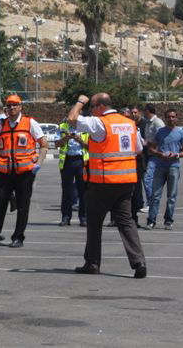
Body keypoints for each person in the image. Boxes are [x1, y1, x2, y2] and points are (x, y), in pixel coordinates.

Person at [68, 93, 146, 279]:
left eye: (92, 108)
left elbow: (72, 118)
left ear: (100, 107)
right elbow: (138, 149)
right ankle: (138, 262)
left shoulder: (100, 123)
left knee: (94, 224)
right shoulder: (129, 123)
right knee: (126, 223)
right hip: (126, 182)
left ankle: (93, 263)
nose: (91, 112)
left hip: (102, 182)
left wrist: (80, 102)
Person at [0, 94, 47, 248]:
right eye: (9, 105)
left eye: (15, 105)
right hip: (4, 172)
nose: (12, 108)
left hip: (24, 173)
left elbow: (44, 144)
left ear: (20, 106)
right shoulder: (1, 124)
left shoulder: (29, 123)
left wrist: (38, 163)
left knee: (22, 205)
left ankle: (18, 237)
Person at [146, 109, 183, 230]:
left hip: (173, 166)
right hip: (160, 166)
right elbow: (152, 148)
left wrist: (177, 155)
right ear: (165, 118)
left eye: (173, 117)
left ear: (176, 118)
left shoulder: (181, 133)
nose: (171, 119)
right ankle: (151, 220)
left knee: (172, 195)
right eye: (169, 117)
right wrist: (159, 154)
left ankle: (168, 221)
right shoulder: (160, 132)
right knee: (155, 195)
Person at [54, 117, 88, 227]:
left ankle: (83, 218)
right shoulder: (62, 127)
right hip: (67, 161)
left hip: (82, 161)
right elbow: (57, 144)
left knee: (83, 191)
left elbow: (91, 146)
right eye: (71, 119)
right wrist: (66, 138)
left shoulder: (86, 128)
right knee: (66, 190)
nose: (73, 121)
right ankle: (65, 217)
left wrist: (80, 140)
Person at [142, 103, 165, 205]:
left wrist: (150, 143)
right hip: (149, 153)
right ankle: (150, 202)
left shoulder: (157, 122)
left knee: (148, 179)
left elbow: (163, 138)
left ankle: (151, 203)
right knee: (148, 179)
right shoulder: (148, 122)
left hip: (156, 155)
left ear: (147, 111)